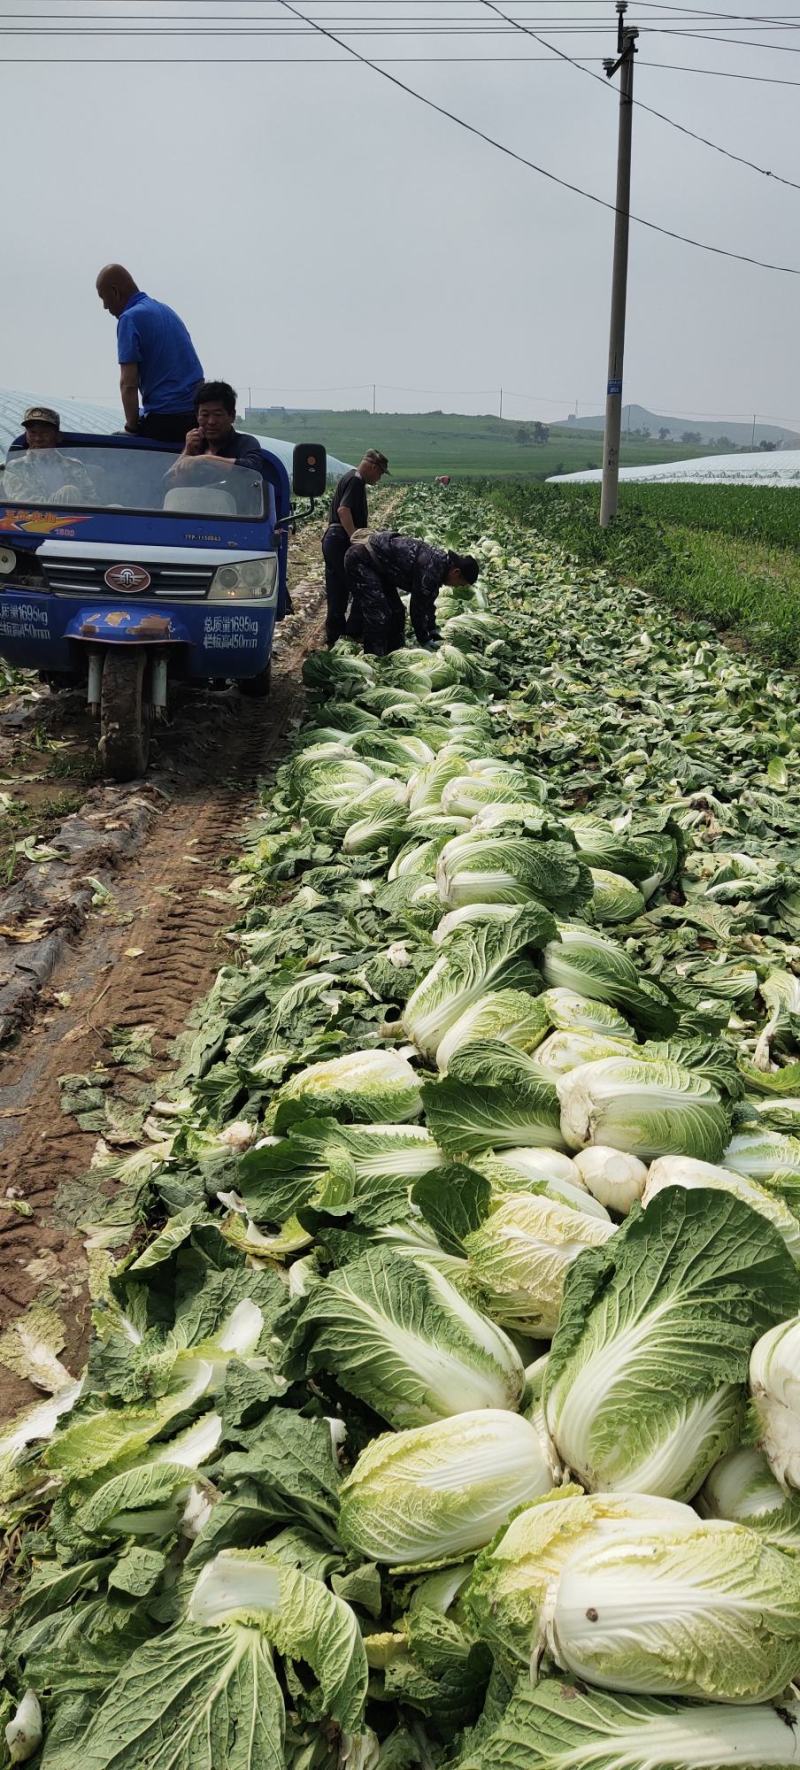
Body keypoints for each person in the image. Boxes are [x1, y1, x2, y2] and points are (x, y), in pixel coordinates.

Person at [96, 263, 203, 442]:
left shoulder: (129, 318)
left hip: (166, 419)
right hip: (194, 416)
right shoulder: (166, 310)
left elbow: (128, 384)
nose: (105, 307)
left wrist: (131, 427)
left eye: (103, 298)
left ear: (115, 292)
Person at [344, 532, 479, 656]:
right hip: (361, 560)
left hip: (382, 569)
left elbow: (428, 601)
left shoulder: (441, 566)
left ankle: (394, 654)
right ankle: (374, 657)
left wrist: (432, 629)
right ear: (456, 572)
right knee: (379, 614)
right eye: (460, 584)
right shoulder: (431, 569)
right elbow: (417, 609)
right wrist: (424, 639)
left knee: (397, 611)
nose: (456, 587)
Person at [321, 449, 389, 646]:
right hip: (340, 539)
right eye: (381, 473)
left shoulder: (350, 477)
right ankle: (352, 633)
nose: (379, 478)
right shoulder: (356, 480)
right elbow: (344, 510)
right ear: (374, 467)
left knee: (337, 589)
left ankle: (334, 636)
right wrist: (355, 538)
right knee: (362, 585)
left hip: (332, 539)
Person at [2, 406, 94, 505]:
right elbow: (25, 504)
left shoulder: (74, 466)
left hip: (80, 519)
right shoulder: (15, 468)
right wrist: (65, 498)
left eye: (44, 433)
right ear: (26, 436)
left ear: (58, 436)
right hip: (36, 520)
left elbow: (92, 501)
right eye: (32, 432)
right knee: (69, 491)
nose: (38, 438)